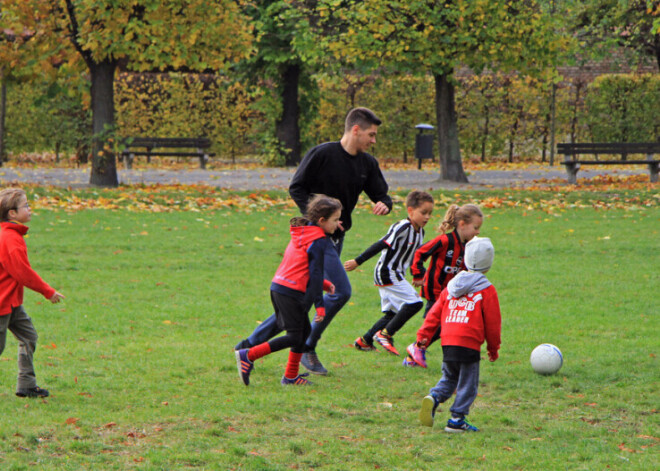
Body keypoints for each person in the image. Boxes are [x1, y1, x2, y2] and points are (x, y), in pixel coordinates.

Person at [234, 107, 393, 375]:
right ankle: (307, 346)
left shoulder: (367, 164)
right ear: (356, 130)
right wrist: (319, 220)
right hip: (314, 238)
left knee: (301, 304)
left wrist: (384, 203)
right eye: (371, 134)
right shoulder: (322, 154)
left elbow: (381, 193)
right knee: (341, 291)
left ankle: (247, 346)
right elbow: (296, 187)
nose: (373, 141)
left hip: (337, 238)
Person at [235, 195, 342, 386]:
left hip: (279, 287)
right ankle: (248, 355)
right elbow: (315, 272)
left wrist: (325, 284)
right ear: (322, 221)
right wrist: (320, 306)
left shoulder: (303, 233)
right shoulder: (318, 240)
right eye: (335, 220)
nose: (338, 224)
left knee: (304, 332)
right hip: (290, 292)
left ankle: (291, 377)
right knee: (294, 336)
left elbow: (301, 265)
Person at [418, 237, 501, 432]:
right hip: (469, 342)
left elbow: (434, 314)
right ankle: (456, 420)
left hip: (448, 341)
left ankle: (435, 397)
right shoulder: (487, 290)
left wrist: (424, 335)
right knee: (467, 383)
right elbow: (493, 323)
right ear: (488, 264)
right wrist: (493, 347)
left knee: (449, 377)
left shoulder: (451, 287)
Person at [346, 190, 434, 357]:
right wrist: (358, 261)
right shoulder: (402, 227)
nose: (427, 217)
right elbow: (380, 244)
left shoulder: (420, 232)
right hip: (387, 272)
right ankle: (385, 335)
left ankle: (364, 341)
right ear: (410, 211)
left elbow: (414, 256)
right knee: (415, 302)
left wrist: (417, 274)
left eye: (430, 213)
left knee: (393, 313)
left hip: (396, 273)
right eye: (423, 213)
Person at [0, 188, 65, 398]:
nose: (29, 209)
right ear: (12, 213)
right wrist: (48, 291)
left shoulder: (11, 235)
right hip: (1, 305)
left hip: (12, 304)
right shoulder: (9, 239)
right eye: (26, 206)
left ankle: (26, 385)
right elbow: (23, 273)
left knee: (29, 336)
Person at [405, 204, 484, 368]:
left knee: (443, 327)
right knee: (436, 326)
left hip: (450, 294)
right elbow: (420, 252)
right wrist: (418, 274)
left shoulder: (469, 246)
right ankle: (417, 348)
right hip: (435, 292)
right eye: (475, 227)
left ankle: (414, 357)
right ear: (462, 224)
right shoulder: (444, 241)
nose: (478, 232)